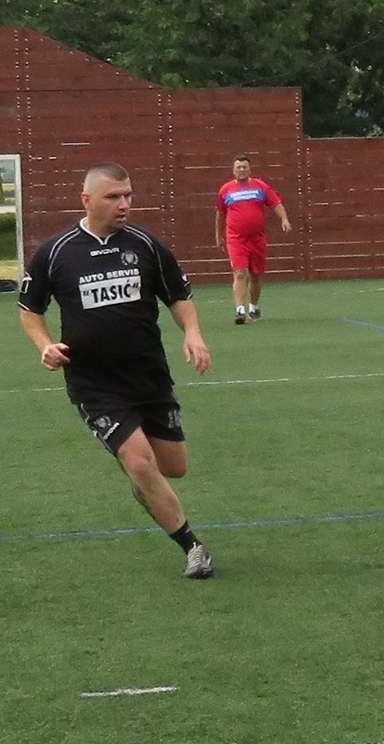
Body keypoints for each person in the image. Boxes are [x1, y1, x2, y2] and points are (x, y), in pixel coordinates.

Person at [18, 163, 215, 579]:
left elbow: (178, 297)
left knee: (173, 467)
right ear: (86, 200)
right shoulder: (56, 252)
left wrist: (193, 333)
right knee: (140, 463)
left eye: (128, 195)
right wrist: (45, 345)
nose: (124, 204)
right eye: (113, 197)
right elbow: (30, 310)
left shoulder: (146, 245)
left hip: (148, 376)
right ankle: (193, 548)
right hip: (94, 384)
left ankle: (145, 487)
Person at [215, 155, 292, 325]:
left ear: (250, 170)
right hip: (236, 239)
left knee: (256, 275)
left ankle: (253, 306)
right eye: (238, 167)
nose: (241, 170)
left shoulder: (260, 186)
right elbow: (220, 214)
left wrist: (284, 219)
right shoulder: (226, 190)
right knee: (240, 273)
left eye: (244, 167)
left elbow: (276, 204)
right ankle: (239, 310)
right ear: (233, 170)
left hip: (257, 239)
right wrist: (218, 235)